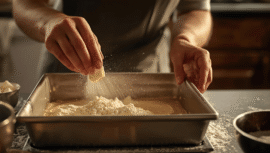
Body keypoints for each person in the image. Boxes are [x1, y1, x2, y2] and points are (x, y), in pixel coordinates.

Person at [12, 0, 213, 94]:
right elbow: (24, 4)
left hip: (150, 74)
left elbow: (195, 9)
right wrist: (48, 22)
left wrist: (187, 38)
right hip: (69, 70)